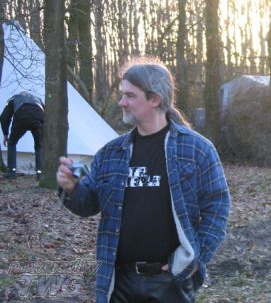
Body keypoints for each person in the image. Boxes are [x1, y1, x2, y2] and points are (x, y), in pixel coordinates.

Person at [56, 58, 231, 303]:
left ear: (154, 99)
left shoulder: (196, 149)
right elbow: (89, 205)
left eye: (130, 96)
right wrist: (71, 188)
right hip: (118, 282)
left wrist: (193, 259)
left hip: (170, 282)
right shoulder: (111, 153)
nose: (122, 102)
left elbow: (218, 207)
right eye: (122, 95)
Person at [1, 91, 45, 179]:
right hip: (39, 117)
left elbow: (4, 117)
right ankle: (40, 173)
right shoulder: (38, 99)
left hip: (22, 117)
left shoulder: (13, 99)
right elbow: (46, 113)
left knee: (12, 142)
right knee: (39, 145)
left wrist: (6, 134)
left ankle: (11, 171)